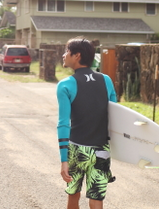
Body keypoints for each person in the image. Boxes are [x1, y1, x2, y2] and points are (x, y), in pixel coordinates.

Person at [57, 37, 117, 209]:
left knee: (74, 195)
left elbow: (63, 124)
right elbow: (115, 116)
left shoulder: (66, 85)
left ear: (77, 55)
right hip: (101, 150)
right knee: (97, 199)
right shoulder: (106, 80)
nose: (63, 55)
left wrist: (63, 160)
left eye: (66, 51)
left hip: (77, 149)